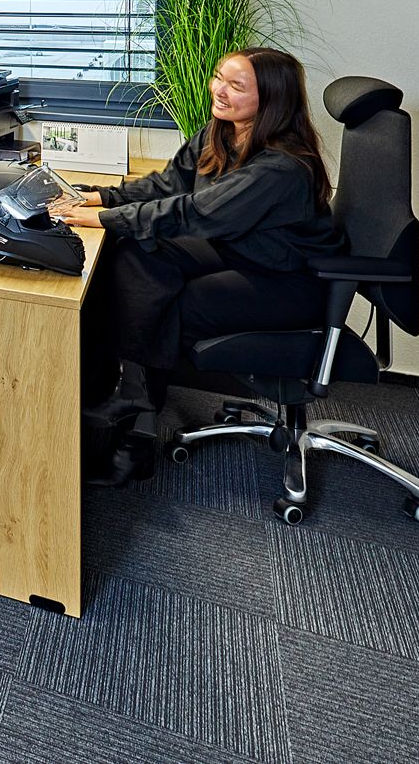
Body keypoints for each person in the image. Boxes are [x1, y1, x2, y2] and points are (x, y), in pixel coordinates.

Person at [55, 47, 343, 484]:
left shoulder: (281, 167)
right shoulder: (222, 130)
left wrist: (105, 217)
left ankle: (136, 437)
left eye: (236, 85)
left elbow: (195, 211)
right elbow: (169, 185)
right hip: (241, 252)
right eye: (219, 77)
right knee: (131, 255)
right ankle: (107, 390)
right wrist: (100, 197)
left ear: (271, 100)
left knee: (162, 302)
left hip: (286, 282)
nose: (219, 90)